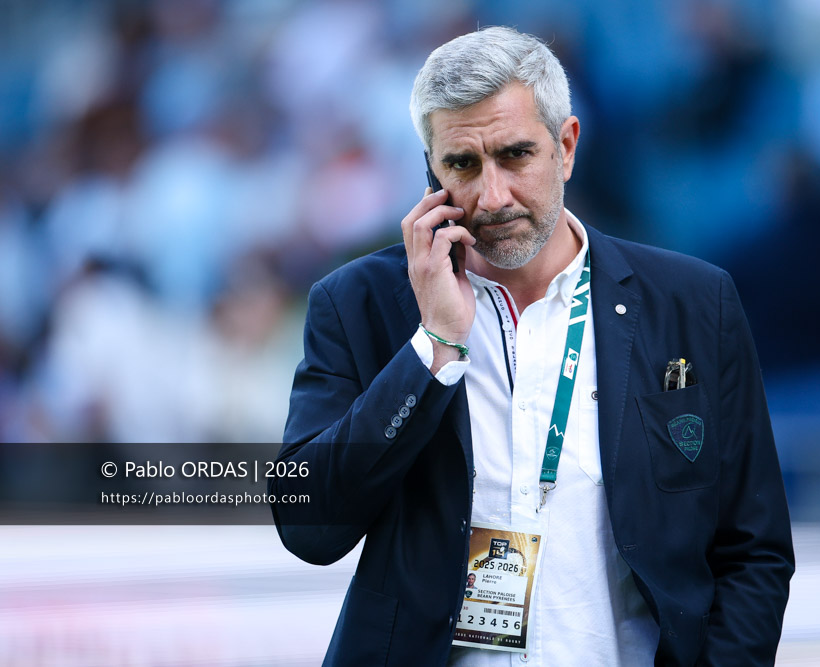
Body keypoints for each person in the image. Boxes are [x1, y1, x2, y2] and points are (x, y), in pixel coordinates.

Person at [271, 26, 793, 667]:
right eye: (462, 165)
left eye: (516, 155)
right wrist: (433, 348)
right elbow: (308, 526)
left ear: (566, 147)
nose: (492, 197)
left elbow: (753, 550)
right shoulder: (359, 303)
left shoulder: (693, 302)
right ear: (430, 171)